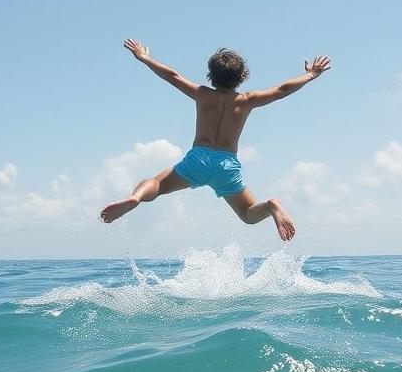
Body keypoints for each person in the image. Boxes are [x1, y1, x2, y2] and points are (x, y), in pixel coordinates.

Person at [100, 40, 331, 241]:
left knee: (156, 183)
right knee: (249, 214)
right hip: (227, 166)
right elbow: (282, 89)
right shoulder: (247, 100)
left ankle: (135, 198)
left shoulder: (202, 94)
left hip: (198, 160)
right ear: (242, 77)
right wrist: (311, 75)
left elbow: (172, 75)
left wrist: (144, 57)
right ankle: (271, 206)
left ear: (210, 75)